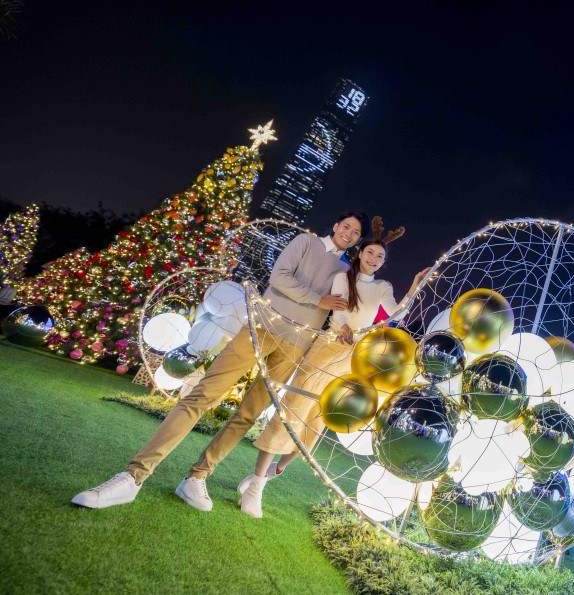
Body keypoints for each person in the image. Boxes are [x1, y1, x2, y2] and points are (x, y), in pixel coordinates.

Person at [71, 211, 371, 510]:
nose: (349, 233)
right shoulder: (306, 241)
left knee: (247, 415)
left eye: (356, 232)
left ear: (358, 239)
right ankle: (134, 475)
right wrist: (316, 299)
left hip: (296, 345)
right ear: (335, 224)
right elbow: (279, 277)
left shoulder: (345, 271)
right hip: (262, 328)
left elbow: (354, 306)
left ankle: (197, 477)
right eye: (346, 226)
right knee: (202, 397)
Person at [236, 218, 430, 517]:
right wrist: (342, 328)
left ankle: (271, 474)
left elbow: (396, 314)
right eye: (370, 253)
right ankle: (255, 487)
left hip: (353, 359)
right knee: (293, 410)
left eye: (380, 257)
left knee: (318, 422)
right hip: (327, 349)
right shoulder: (343, 278)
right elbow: (338, 312)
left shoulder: (382, 287)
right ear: (360, 253)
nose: (375, 259)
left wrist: (415, 286)